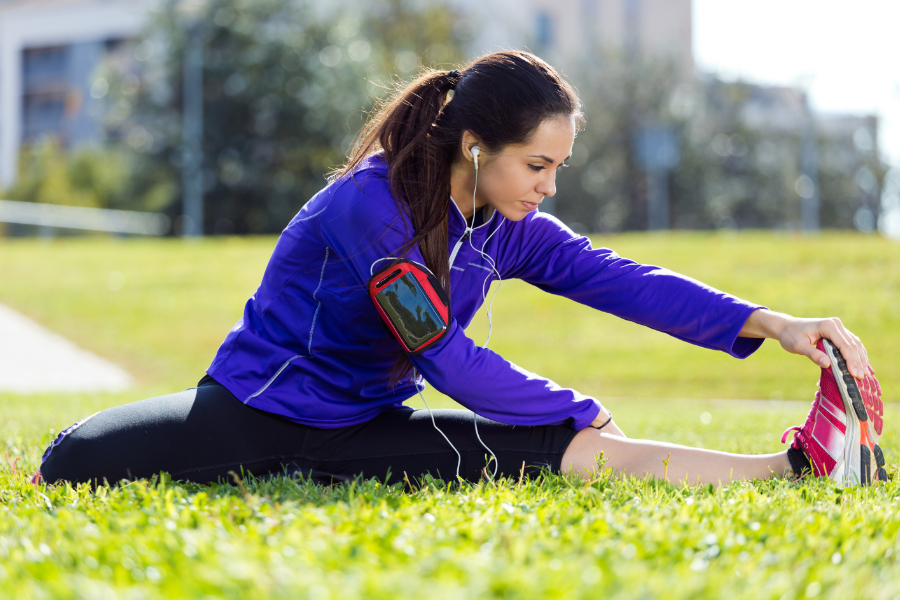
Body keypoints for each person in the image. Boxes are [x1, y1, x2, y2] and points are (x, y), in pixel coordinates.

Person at [34, 50, 885, 489]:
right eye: (538, 167)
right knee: (75, 461)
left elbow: (618, 278)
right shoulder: (369, 214)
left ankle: (802, 469)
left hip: (367, 424)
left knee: (560, 449)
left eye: (559, 170)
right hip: (261, 410)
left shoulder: (499, 218)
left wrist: (772, 323)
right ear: (475, 149)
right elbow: (446, 358)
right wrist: (582, 403)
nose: (549, 189)